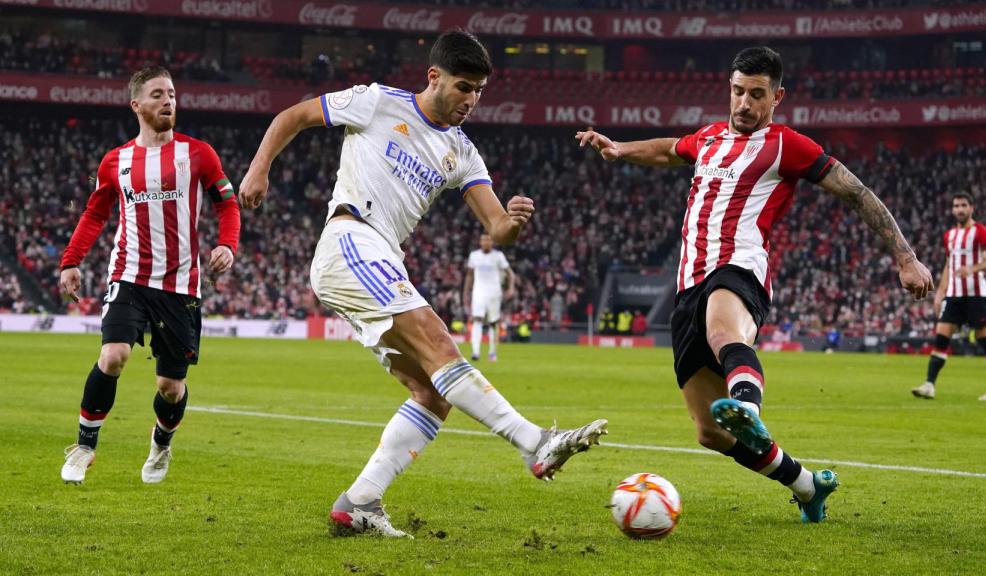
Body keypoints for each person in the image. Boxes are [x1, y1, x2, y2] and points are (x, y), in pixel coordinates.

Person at [238, 30, 606, 538]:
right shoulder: (377, 102)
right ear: (434, 77)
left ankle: (360, 502)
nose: (471, 101)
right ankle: (534, 441)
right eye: (463, 87)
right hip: (351, 239)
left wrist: (513, 223)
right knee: (439, 343)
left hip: (383, 256)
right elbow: (293, 116)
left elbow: (495, 228)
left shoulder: (462, 153)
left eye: (478, 91)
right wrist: (259, 171)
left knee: (433, 393)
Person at [577, 46, 932, 523]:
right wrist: (620, 148)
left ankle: (747, 406)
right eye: (738, 91)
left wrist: (905, 258)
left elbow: (855, 191)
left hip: (738, 267)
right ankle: (807, 486)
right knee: (709, 432)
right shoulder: (707, 139)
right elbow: (668, 149)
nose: (744, 103)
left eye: (757, 94)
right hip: (688, 284)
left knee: (725, 332)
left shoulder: (788, 145)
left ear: (777, 97)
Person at [58, 66, 240, 484]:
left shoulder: (198, 153)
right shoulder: (116, 161)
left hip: (180, 286)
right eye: (158, 94)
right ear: (137, 105)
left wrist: (227, 244)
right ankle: (85, 446)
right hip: (130, 276)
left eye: (172, 93)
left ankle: (161, 444)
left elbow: (227, 204)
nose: (169, 101)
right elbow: (94, 214)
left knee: (169, 388)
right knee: (113, 355)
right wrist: (71, 261)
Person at [912, 192, 986, 401]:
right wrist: (939, 293)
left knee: (985, 339)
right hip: (954, 295)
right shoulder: (949, 235)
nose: (959, 209)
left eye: (963, 205)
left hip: (976, 294)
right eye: (956, 206)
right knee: (941, 335)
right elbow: (948, 265)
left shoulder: (980, 232)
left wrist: (971, 269)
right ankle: (929, 385)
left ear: (971, 208)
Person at [463, 232, 515, 361]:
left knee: (493, 322)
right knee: (477, 319)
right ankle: (475, 352)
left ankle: (492, 352)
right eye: (484, 240)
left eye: (488, 240)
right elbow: (469, 275)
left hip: (494, 293)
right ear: (480, 242)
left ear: (492, 242)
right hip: (478, 292)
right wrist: (465, 292)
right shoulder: (474, 256)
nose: (486, 242)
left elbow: (510, 273)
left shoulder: (498, 256)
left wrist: (511, 287)